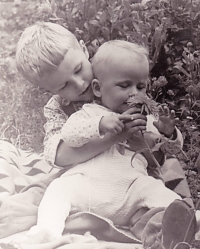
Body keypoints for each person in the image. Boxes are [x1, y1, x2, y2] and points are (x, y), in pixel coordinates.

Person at [25, 40, 197, 249]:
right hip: (89, 186)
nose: (133, 94)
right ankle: (47, 232)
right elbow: (69, 134)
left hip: (132, 189)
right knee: (58, 190)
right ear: (98, 88)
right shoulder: (91, 112)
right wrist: (100, 125)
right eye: (124, 86)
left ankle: (175, 232)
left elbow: (172, 151)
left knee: (165, 197)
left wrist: (168, 133)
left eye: (141, 87)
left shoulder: (144, 119)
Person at [16, 22, 146, 169]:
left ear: (84, 49)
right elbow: (58, 156)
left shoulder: (111, 72)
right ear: (50, 90)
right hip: (88, 174)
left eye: (78, 69)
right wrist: (114, 137)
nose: (79, 84)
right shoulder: (58, 107)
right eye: (64, 85)